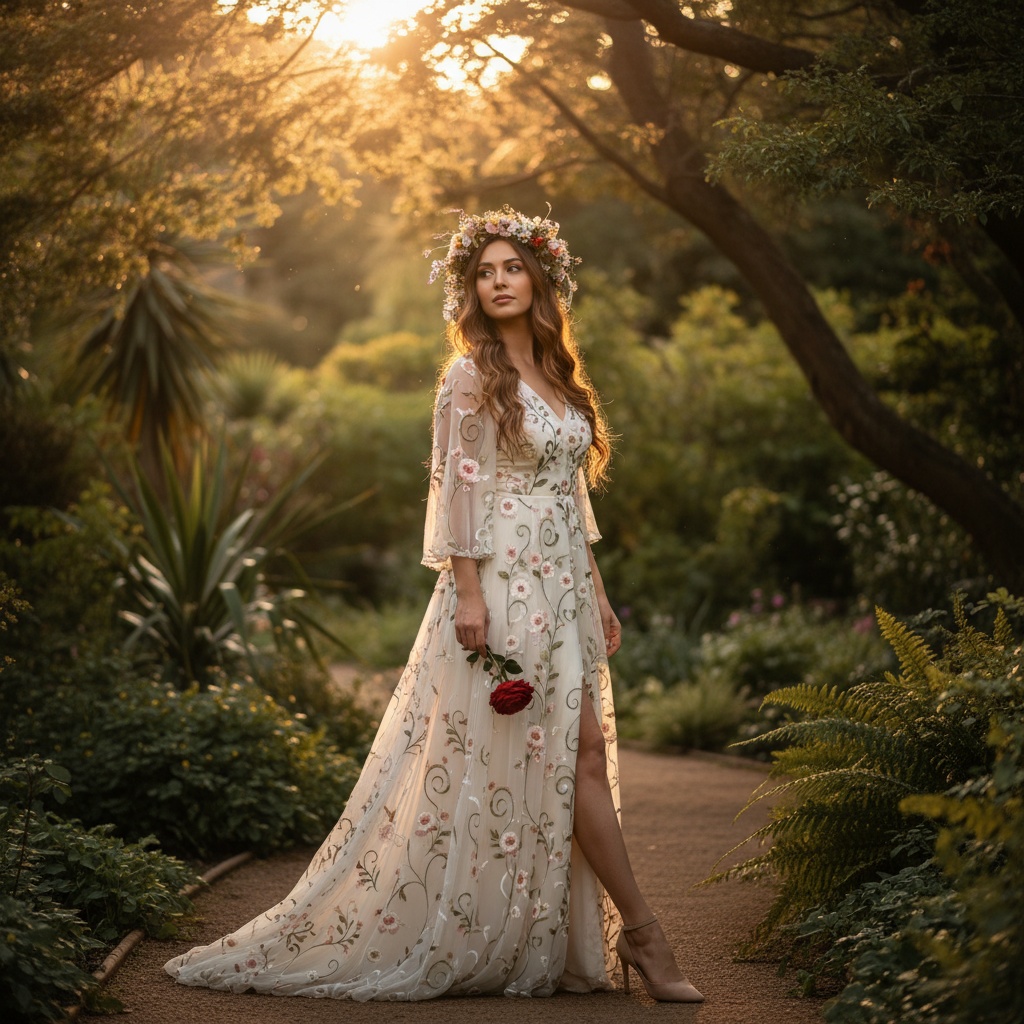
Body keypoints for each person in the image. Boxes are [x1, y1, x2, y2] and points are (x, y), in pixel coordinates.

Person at [163, 207, 703, 1003]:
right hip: (503, 582)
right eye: (484, 272)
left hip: (561, 585)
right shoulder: (469, 376)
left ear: (539, 279)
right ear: (472, 291)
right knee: (559, 756)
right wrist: (471, 593)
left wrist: (597, 593)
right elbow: (458, 489)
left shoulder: (560, 376)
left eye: (511, 268)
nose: (498, 282)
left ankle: (601, 937)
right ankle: (650, 942)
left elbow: (570, 499)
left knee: (575, 758)